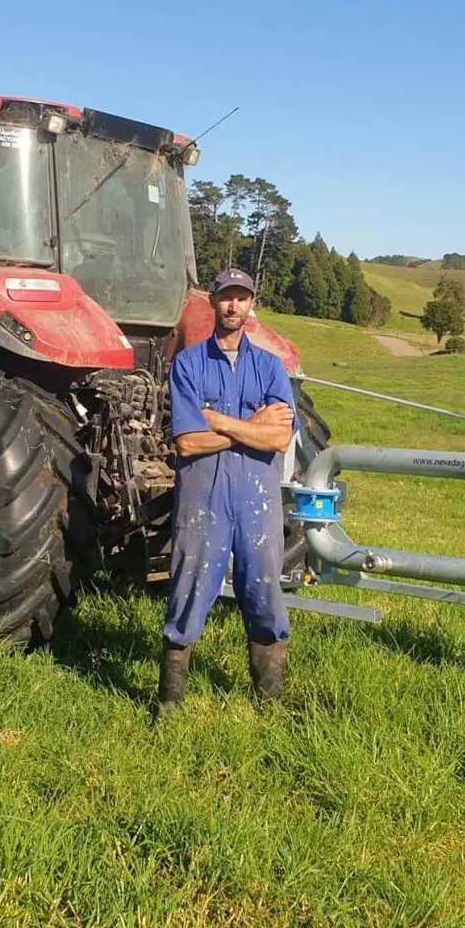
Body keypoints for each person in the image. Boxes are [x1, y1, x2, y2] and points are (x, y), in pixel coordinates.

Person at [157, 267, 299, 715]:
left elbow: (279, 438)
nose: (233, 305)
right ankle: (170, 704)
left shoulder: (270, 367)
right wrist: (250, 427)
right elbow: (187, 442)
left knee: (264, 595)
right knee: (188, 592)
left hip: (257, 502)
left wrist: (217, 420)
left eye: (241, 297)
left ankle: (267, 704)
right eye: (225, 297)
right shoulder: (188, 364)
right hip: (203, 501)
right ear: (213, 303)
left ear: (251, 304)